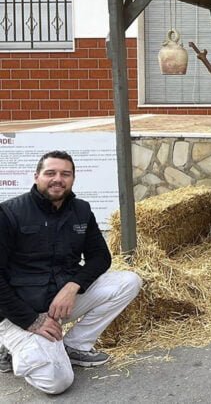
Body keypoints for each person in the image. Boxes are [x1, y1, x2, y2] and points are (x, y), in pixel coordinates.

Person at [0, 151, 142, 395]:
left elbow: (101, 257)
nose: (58, 179)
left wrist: (73, 285)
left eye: (65, 174)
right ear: (36, 177)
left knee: (129, 281)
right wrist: (31, 321)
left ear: (73, 179)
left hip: (60, 304)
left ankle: (75, 345)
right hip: (20, 313)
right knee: (56, 382)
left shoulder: (81, 211)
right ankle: (11, 348)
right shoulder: (9, 213)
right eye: (50, 173)